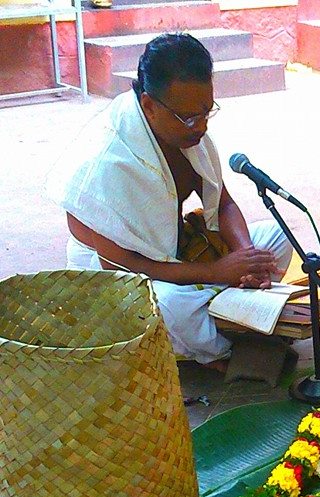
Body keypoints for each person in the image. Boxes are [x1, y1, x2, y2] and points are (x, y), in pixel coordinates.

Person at [48, 33, 292, 371]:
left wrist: (243, 256)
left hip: (181, 252)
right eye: (190, 117)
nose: (202, 127)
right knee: (169, 302)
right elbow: (127, 266)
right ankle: (219, 343)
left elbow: (224, 205)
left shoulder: (184, 130)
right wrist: (217, 272)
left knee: (275, 239)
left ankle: (220, 317)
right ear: (149, 105)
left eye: (207, 112)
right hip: (118, 276)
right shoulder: (103, 166)